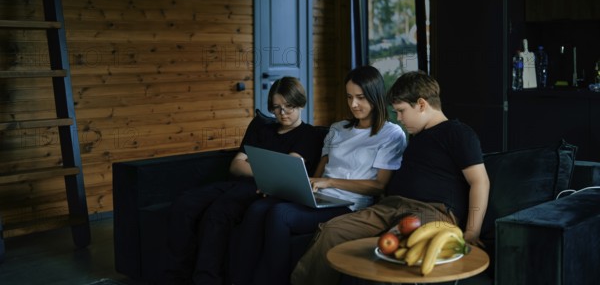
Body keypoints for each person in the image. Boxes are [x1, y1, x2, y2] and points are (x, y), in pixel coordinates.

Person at [290, 70, 490, 285]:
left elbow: (479, 181)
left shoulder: (458, 133)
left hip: (431, 212)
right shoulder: (418, 137)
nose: (400, 119)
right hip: (388, 207)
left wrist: (471, 231)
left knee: (396, 249)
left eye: (402, 111)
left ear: (422, 105)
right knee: (331, 230)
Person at [230, 65, 407, 285]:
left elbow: (379, 186)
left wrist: (328, 182)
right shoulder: (338, 128)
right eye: (349, 97)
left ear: (375, 96)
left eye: (360, 97)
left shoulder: (391, 134)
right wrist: (294, 187)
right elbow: (318, 171)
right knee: (257, 209)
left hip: (348, 204)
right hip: (320, 197)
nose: (353, 104)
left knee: (280, 214)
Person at [163, 77, 324, 285]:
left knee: (218, 212)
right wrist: (266, 171)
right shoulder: (262, 129)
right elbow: (236, 165)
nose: (282, 113)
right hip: (238, 183)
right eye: (276, 108)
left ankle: (206, 280)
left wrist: (257, 169)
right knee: (184, 203)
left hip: (262, 191)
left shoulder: (308, 135)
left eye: (289, 107)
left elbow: (285, 173)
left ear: (301, 104)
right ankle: (175, 278)